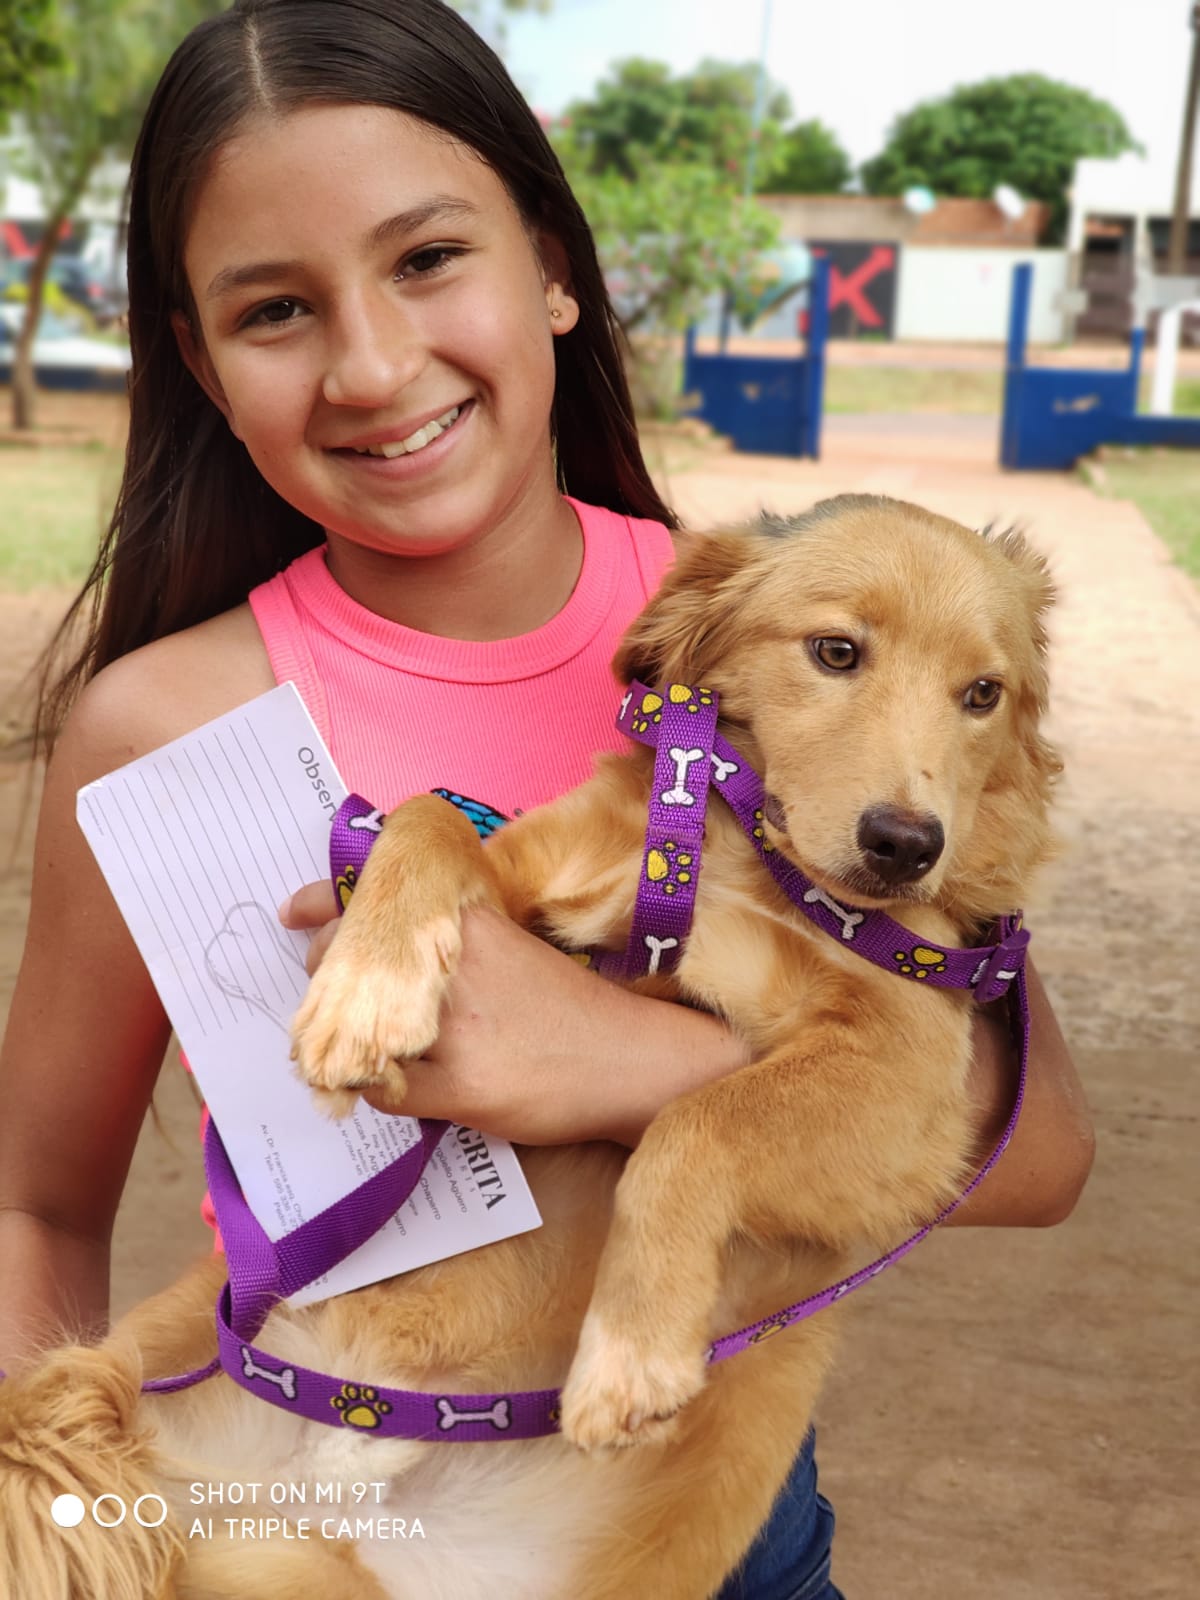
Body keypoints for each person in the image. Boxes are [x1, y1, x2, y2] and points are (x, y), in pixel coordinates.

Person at [0, 2, 1094, 1594]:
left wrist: (614, 1066)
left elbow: (1039, 1147)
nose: (375, 363)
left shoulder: (772, 650)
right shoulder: (159, 722)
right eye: (276, 309)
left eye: (428, 259)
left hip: (686, 1528)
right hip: (288, 1520)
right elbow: (36, 1205)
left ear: (557, 268)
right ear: (198, 356)